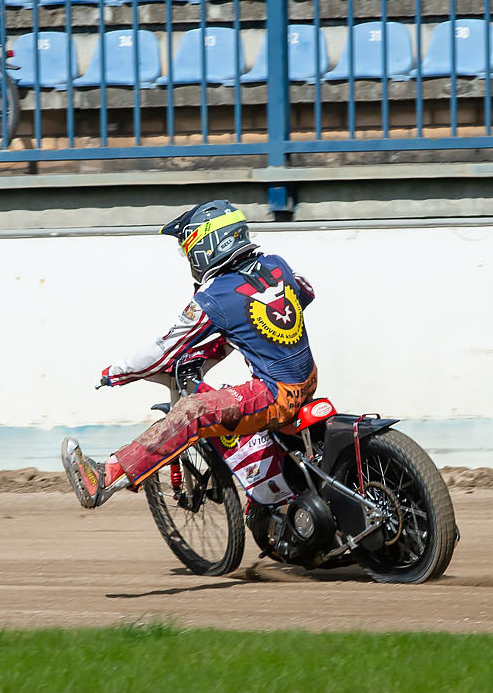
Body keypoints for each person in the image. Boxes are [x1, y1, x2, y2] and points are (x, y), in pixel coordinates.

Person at [62, 201, 318, 509]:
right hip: (307, 380)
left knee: (191, 412)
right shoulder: (277, 264)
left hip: (274, 395)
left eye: (189, 249)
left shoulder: (215, 296)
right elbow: (306, 292)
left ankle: (104, 478)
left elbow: (164, 349)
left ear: (206, 247)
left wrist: (117, 372)